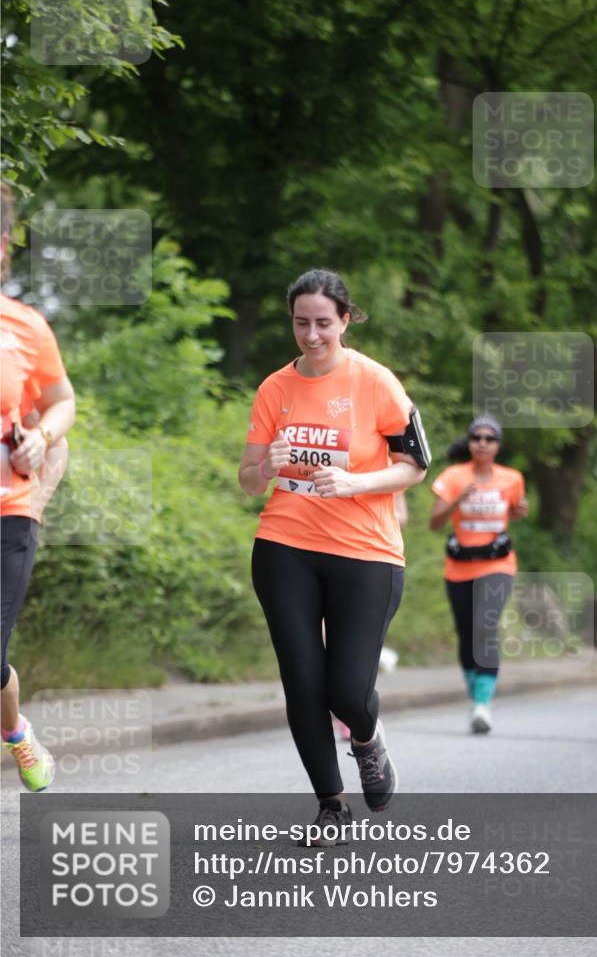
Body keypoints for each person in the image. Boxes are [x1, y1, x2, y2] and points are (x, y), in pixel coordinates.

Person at [238, 269, 429, 842]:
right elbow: (248, 481)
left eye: (324, 322)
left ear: (345, 319)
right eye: (302, 323)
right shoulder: (276, 388)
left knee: (346, 690)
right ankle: (331, 807)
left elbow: (415, 467)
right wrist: (267, 466)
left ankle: (368, 743)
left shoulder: (375, 382)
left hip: (365, 552)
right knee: (302, 680)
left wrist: (355, 482)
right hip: (284, 546)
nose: (312, 334)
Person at [1, 181, 76, 791]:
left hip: (9, 510)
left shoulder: (25, 326)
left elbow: (62, 404)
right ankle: (18, 730)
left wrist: (40, 438)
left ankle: (17, 737)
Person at [429, 416, 527, 734]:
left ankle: (483, 704)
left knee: (485, 626)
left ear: (498, 445)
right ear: (470, 443)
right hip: (459, 566)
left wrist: (517, 512)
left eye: (490, 438)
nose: (482, 443)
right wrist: (457, 500)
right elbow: (434, 523)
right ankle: (476, 694)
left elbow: (512, 510)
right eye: (477, 437)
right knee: (466, 633)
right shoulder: (453, 476)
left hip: (498, 564)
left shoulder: (512, 478)